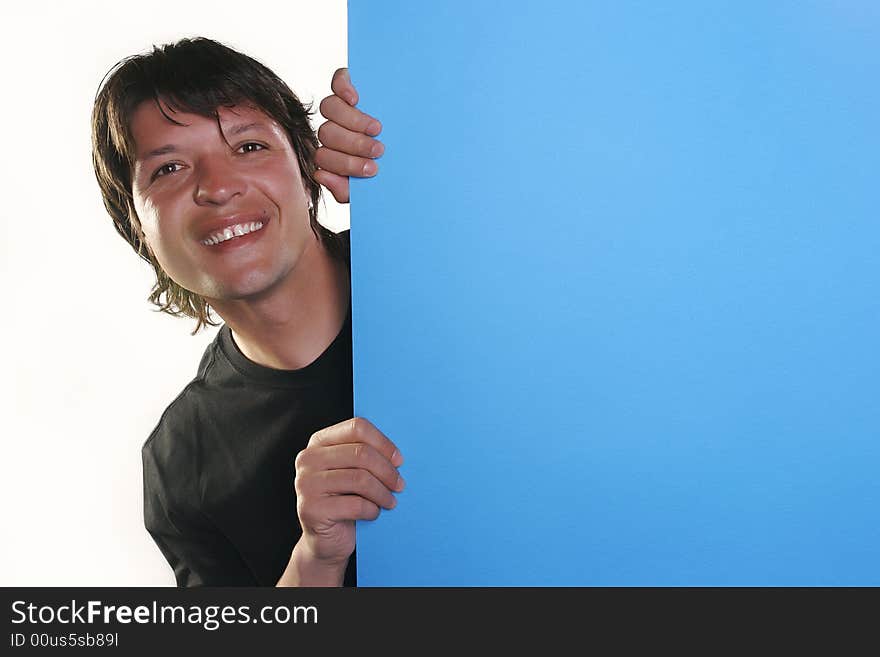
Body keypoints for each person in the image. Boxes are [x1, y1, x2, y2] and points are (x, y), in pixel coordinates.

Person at [91, 37, 400, 587]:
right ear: (138, 227)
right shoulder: (180, 464)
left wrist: (414, 159)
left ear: (308, 163)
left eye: (249, 146)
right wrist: (316, 560)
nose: (218, 186)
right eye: (168, 169)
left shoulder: (436, 268)